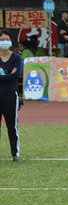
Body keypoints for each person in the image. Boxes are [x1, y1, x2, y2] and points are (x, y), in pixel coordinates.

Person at [0, 29, 22, 162]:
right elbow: (11, 76)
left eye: (7, 39)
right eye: (1, 39)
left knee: (12, 125)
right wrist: (8, 76)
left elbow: (15, 76)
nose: (4, 42)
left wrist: (5, 77)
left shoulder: (16, 58)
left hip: (10, 94)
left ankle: (15, 154)